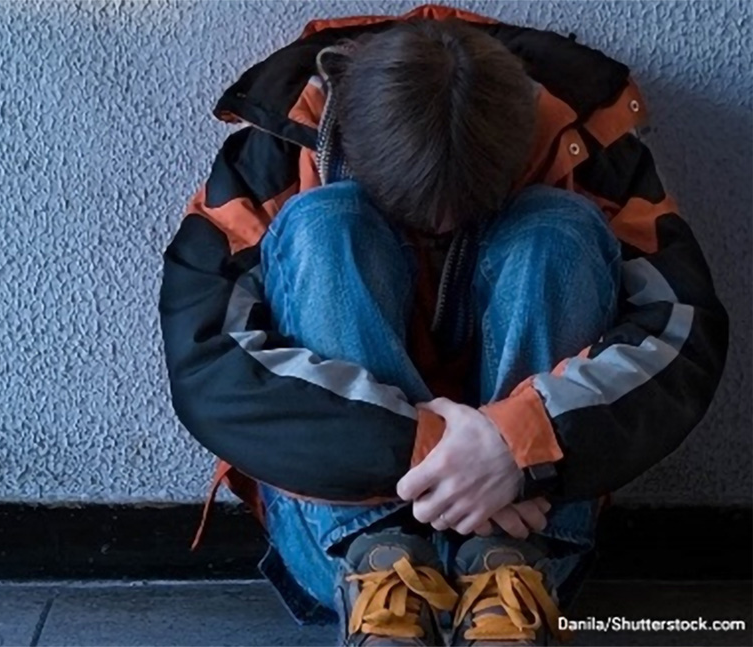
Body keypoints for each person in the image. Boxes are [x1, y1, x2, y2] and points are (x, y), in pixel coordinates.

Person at [159, 6, 729, 647]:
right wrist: (451, 451)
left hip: (531, 526)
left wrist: (519, 450)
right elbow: (207, 362)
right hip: (344, 534)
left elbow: (681, 337)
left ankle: (506, 578)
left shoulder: (588, 145)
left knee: (557, 230)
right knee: (323, 226)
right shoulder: (277, 148)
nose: (436, 232)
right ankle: (385, 574)